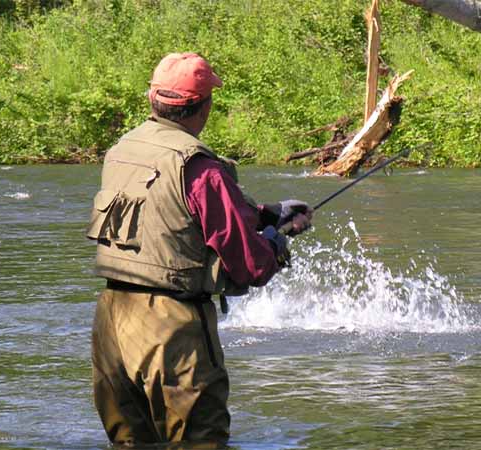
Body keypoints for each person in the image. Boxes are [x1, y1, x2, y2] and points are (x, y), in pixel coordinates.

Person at [87, 52, 313, 446]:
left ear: (153, 99)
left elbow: (168, 208)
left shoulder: (123, 149)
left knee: (132, 442)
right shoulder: (201, 168)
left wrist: (266, 214)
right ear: (203, 106)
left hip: (111, 320)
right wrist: (278, 239)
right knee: (199, 440)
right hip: (171, 327)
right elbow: (249, 266)